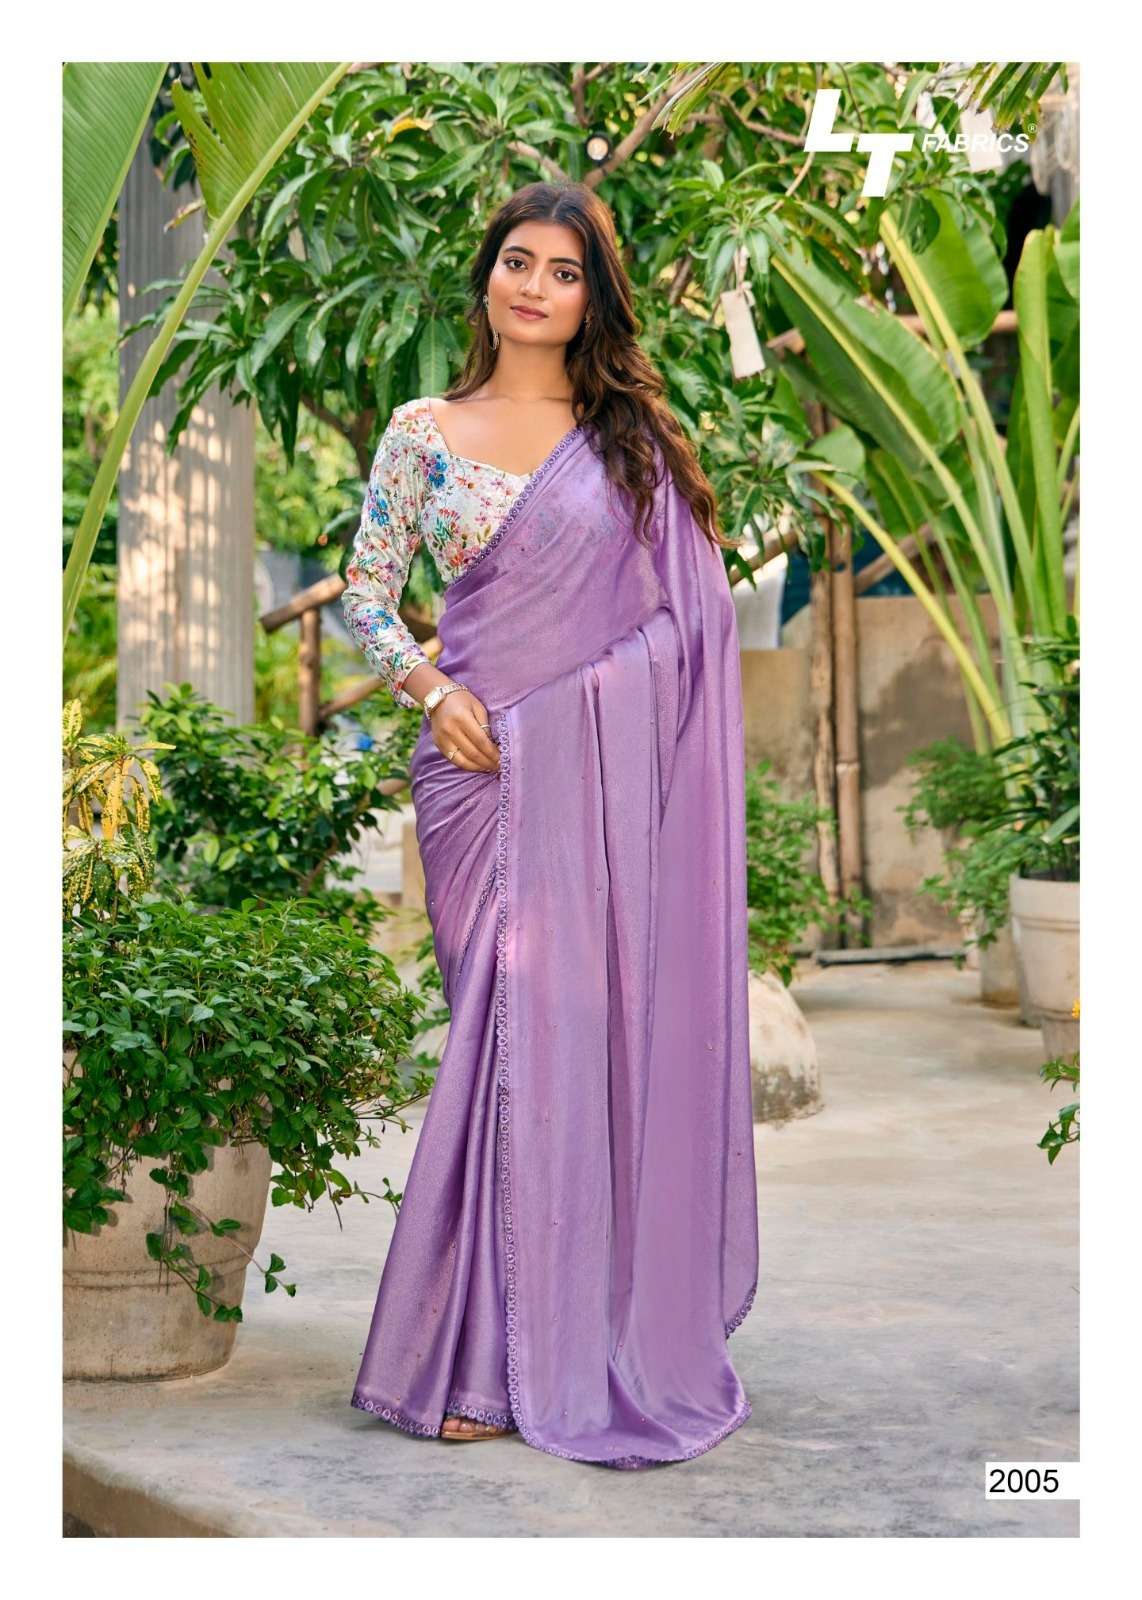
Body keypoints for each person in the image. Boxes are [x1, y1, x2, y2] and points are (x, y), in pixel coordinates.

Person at [341, 180, 758, 1469]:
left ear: (592, 300)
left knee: (569, 1045)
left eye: (564, 272)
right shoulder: (423, 432)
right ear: (488, 276)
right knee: (499, 1043)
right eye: (517, 261)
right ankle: (483, 1346)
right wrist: (433, 690)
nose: (534, 287)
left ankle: (536, 1352)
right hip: (472, 777)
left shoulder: (630, 443)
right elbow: (366, 597)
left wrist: (571, 712)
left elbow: (691, 625)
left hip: (592, 785)